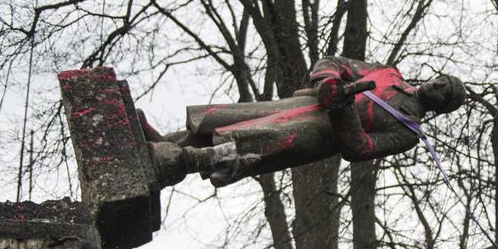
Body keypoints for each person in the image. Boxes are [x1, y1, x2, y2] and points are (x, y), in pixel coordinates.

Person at [144, 56, 466, 187]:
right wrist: (328, 82)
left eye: (445, 91)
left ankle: (177, 162)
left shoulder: (407, 131)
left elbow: (360, 149)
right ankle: (165, 144)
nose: (438, 85)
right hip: (302, 104)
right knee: (227, 121)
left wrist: (344, 108)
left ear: (443, 106)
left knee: (247, 144)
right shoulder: (388, 73)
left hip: (313, 135)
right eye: (442, 79)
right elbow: (334, 62)